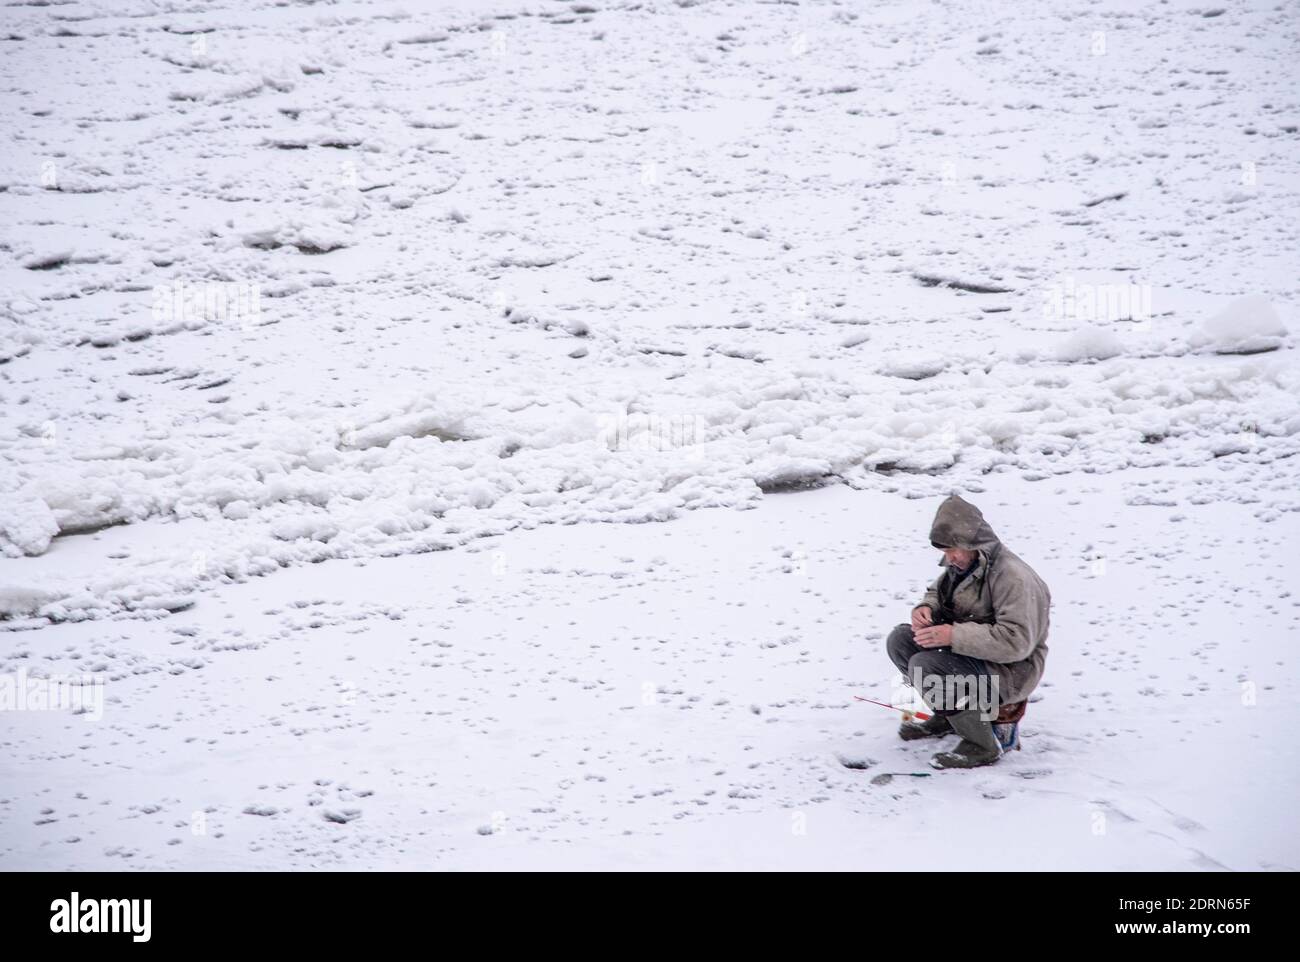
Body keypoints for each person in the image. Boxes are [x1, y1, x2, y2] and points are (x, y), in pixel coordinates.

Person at [885, 494, 1051, 769]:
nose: (949, 558)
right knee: (901, 641)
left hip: (1013, 671)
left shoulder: (1013, 578)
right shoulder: (964, 563)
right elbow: (937, 593)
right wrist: (925, 609)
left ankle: (982, 745)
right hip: (978, 659)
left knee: (926, 665)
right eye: (945, 551)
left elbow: (1017, 642)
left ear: (975, 543)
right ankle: (950, 718)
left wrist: (953, 636)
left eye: (954, 550)